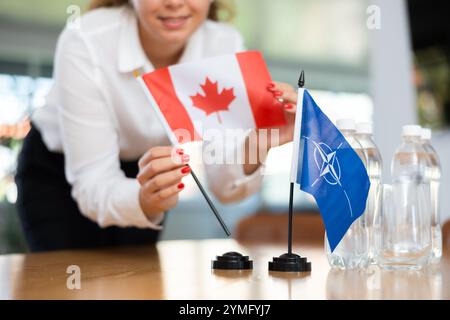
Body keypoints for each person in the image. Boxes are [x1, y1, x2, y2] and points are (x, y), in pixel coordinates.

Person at [15, 0, 298, 252]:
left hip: (147, 172)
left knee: (136, 282)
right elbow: (92, 182)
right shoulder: (86, 39)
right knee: (68, 285)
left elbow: (225, 189)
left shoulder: (223, 44)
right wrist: (143, 199)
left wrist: (256, 143)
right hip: (60, 173)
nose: (175, 3)